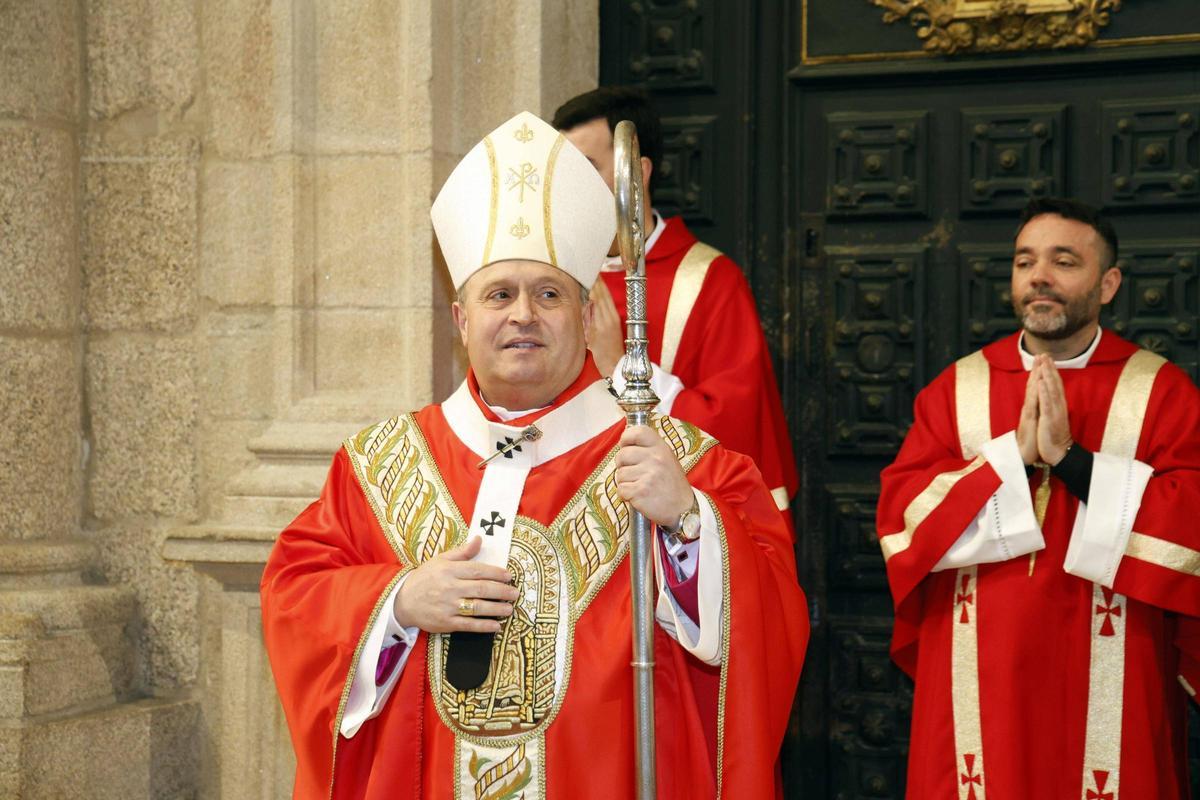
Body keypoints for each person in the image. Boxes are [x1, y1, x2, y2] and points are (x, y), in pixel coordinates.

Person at [261, 111, 808, 800]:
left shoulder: (676, 461)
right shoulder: (378, 465)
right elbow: (294, 594)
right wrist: (398, 601)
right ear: (462, 322)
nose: (522, 314)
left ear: (586, 318)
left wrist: (690, 525)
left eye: (549, 294)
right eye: (498, 295)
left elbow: (774, 616)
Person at [876, 197, 1200, 799]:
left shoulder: (1159, 391)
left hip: (1116, 663)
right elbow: (904, 517)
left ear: (1108, 284)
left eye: (1063, 261)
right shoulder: (959, 387)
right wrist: (1014, 460)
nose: (1039, 276)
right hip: (980, 663)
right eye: (1025, 262)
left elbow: (1192, 528)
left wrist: (1073, 464)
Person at [552, 88, 797, 518]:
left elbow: (734, 431)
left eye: (586, 169)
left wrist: (621, 368)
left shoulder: (711, 281)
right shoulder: (551, 281)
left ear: (636, 171)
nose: (568, 189)